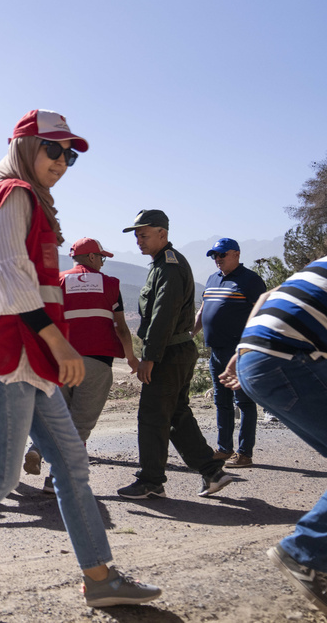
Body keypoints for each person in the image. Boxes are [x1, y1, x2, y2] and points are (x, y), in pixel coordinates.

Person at [0, 109, 160, 608]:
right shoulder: (15, 194)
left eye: (70, 155)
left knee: (71, 464)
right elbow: (4, 281)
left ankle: (101, 577)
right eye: (53, 149)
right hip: (6, 362)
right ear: (24, 148)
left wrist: (50, 349)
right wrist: (60, 343)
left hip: (29, 364)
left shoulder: (31, 200)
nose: (62, 162)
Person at [220, 251, 327, 622]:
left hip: (257, 356)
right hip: (290, 359)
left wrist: (240, 349)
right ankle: (304, 552)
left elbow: (266, 297)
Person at [116, 210, 231, 500]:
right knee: (176, 414)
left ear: (162, 234)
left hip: (168, 353)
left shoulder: (169, 266)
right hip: (176, 350)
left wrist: (149, 357)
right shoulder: (162, 264)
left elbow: (163, 315)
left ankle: (151, 481)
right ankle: (211, 471)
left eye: (144, 234)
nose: (138, 241)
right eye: (137, 236)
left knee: (153, 416)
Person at [23, 237, 139, 492]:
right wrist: (130, 357)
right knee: (79, 427)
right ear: (92, 257)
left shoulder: (58, 281)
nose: (103, 263)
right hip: (96, 363)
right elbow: (120, 326)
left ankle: (38, 448)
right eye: (102, 258)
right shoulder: (109, 284)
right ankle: (56, 480)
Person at [191, 238, 266, 468]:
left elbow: (262, 315)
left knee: (243, 402)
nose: (217, 259)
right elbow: (203, 311)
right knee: (221, 401)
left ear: (236, 254)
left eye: (222, 255)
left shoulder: (251, 280)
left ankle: (245, 453)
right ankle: (224, 449)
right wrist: (189, 335)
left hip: (240, 353)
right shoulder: (213, 279)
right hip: (216, 352)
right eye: (214, 255)